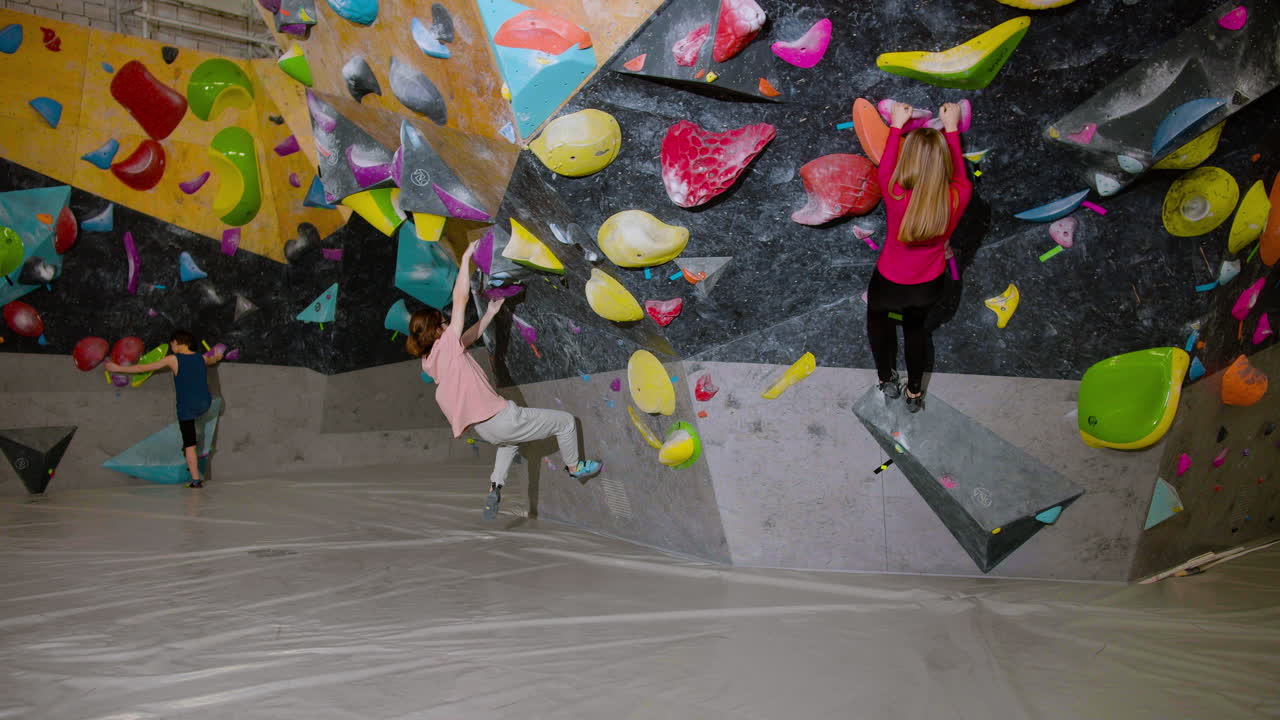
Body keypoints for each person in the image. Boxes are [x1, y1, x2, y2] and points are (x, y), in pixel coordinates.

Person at [407, 239, 602, 520]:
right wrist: (464, 260)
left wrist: (489, 314)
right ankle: (575, 468)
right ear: (437, 330)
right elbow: (461, 298)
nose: (448, 323)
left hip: (483, 430)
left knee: (509, 444)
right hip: (502, 419)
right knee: (565, 422)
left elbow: (467, 338)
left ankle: (495, 485)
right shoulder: (447, 343)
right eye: (444, 322)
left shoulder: (430, 361)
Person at [867, 101, 973, 412]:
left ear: (907, 161)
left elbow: (886, 161)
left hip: (888, 281)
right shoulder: (958, 195)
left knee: (878, 323)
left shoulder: (894, 189)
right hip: (927, 286)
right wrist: (951, 128)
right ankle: (915, 393)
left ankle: (887, 379)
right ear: (943, 165)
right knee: (915, 331)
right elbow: (959, 173)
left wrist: (897, 124)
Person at [105, 330, 223, 487]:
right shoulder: (200, 358)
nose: (171, 347)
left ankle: (196, 480)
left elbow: (144, 368)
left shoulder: (173, 359)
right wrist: (218, 356)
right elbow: (212, 359)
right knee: (197, 435)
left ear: (179, 342)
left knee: (190, 445)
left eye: (172, 344)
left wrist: (117, 369)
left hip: (187, 408)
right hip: (204, 404)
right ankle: (196, 453)